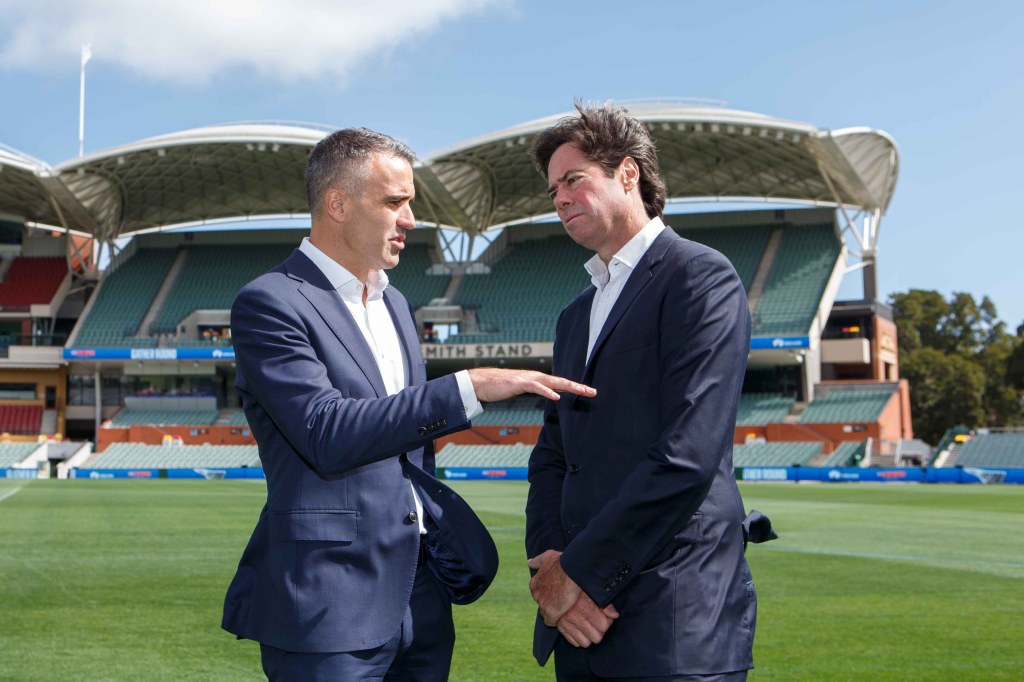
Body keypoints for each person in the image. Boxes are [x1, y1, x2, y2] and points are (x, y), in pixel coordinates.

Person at [221, 127, 596, 681]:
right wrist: (467, 386)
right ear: (338, 204)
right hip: (329, 603)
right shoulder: (270, 302)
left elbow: (409, 451)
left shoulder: (396, 303)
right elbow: (325, 432)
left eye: (411, 203)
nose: (411, 219)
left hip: (419, 595)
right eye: (395, 201)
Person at [525, 103, 761, 681]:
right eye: (554, 187)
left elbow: (687, 456)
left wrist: (574, 575)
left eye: (574, 179)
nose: (559, 198)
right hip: (579, 618)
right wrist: (550, 566)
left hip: (675, 616)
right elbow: (555, 453)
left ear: (628, 174)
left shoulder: (699, 277)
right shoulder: (574, 315)